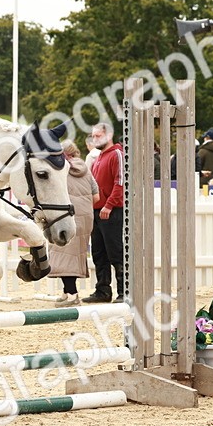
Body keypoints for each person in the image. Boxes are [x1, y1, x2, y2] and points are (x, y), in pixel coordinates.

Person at [50, 141, 98, 307]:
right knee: (73, 255)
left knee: (64, 255)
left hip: (67, 216)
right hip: (86, 217)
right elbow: (96, 196)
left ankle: (72, 294)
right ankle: (66, 291)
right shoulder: (86, 169)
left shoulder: (62, 169)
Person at [85, 122, 124, 303]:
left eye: (98, 136)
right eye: (93, 136)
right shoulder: (99, 156)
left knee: (115, 252)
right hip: (96, 210)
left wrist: (109, 205)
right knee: (99, 253)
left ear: (108, 135)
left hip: (112, 211)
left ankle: (124, 291)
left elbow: (121, 182)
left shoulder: (117, 154)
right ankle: (103, 290)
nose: (94, 139)